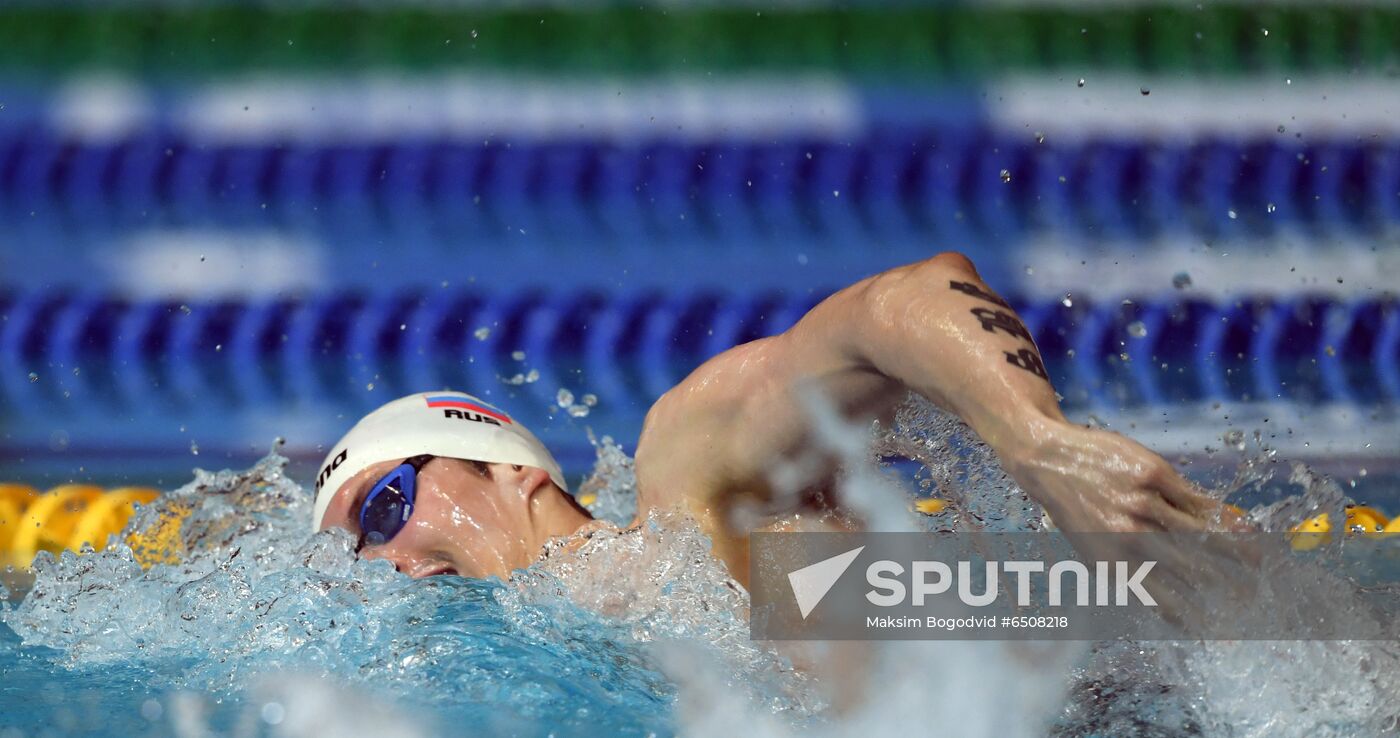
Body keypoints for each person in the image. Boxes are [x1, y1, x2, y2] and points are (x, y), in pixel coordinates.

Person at [311, 252, 1244, 585]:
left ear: (513, 471)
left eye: (387, 506)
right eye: (357, 551)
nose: (386, 559)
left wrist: (1034, 441)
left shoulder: (685, 481)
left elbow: (907, 298)